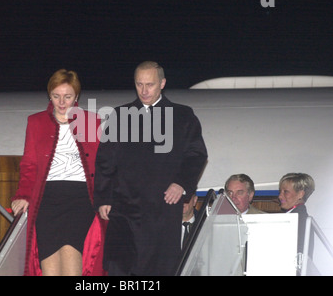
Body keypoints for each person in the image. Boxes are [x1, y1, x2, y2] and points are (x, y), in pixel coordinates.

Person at [94, 61, 208, 275]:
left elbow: (197, 154)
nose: (144, 91)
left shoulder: (183, 116)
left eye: (150, 84)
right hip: (124, 210)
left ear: (162, 83)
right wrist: (103, 198)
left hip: (162, 211)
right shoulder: (119, 116)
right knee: (120, 269)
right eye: (139, 84)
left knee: (159, 270)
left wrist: (181, 183)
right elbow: (105, 161)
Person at [11, 69, 106, 276]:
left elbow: (104, 164)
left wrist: (107, 197)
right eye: (56, 96)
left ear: (77, 96)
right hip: (47, 201)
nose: (62, 102)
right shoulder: (35, 122)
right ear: (49, 95)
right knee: (49, 267)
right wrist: (23, 195)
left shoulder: (92, 121)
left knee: (72, 262)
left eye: (67, 96)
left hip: (80, 199)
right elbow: (29, 164)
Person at [278, 173, 315, 254]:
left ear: (300, 194)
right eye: (280, 191)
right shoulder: (301, 218)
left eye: (286, 192)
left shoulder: (298, 220)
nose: (280, 196)